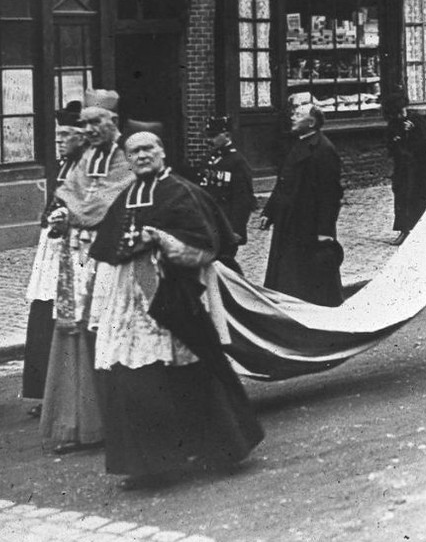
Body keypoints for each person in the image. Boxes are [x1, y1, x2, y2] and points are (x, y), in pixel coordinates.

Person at [88, 131, 263, 489]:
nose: (141, 156)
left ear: (162, 150)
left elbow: (205, 246)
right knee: (137, 378)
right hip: (130, 302)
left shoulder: (181, 191)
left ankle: (224, 449)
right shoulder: (126, 196)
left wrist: (162, 241)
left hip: (176, 295)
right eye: (133, 151)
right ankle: (150, 465)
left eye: (148, 148)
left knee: (195, 368)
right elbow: (109, 248)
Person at [38, 90, 136, 454]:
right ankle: (81, 423)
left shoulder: (128, 156)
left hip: (112, 257)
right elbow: (69, 195)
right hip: (78, 257)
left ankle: (119, 421)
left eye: (98, 122)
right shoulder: (86, 156)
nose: (91, 129)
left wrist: (74, 211)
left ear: (114, 123)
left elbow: (104, 203)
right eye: (87, 123)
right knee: (75, 331)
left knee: (107, 330)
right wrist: (62, 215)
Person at [20, 101, 86, 417]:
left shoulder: (86, 168)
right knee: (44, 316)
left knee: (65, 318)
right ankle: (48, 393)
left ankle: (67, 395)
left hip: (72, 254)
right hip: (52, 253)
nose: (59, 140)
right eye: (57, 135)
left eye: (65, 134)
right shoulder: (64, 165)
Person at [261, 101, 344, 305]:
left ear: (312, 122)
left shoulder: (324, 150)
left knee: (311, 277)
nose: (293, 117)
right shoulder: (296, 143)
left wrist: (325, 231)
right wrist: (269, 212)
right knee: (287, 270)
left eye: (299, 114)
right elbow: (283, 182)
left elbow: (330, 195)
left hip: (309, 223)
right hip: (289, 220)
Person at [382, 85, 426, 246]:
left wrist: (414, 130)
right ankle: (405, 231)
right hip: (404, 168)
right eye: (398, 112)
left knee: (424, 197)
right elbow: (391, 146)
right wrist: (400, 136)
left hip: (423, 167)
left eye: (403, 110)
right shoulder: (393, 125)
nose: (401, 114)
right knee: (403, 197)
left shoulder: (416, 120)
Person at [197, 115, 257, 250]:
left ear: (227, 135)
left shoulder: (237, 161)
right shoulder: (209, 159)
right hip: (209, 220)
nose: (209, 140)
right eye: (208, 135)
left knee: (226, 261)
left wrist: (236, 229)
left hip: (226, 221)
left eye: (213, 136)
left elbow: (243, 199)